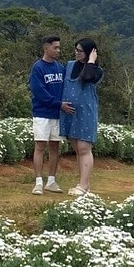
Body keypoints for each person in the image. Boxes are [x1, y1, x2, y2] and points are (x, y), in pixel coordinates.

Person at [58, 37, 103, 196]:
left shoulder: (96, 70)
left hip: (85, 113)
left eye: (81, 51)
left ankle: (83, 185)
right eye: (76, 50)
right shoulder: (69, 66)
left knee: (84, 148)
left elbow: (87, 77)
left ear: (90, 52)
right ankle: (83, 183)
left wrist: (91, 61)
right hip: (69, 112)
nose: (77, 53)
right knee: (77, 148)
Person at [27, 35, 67, 195]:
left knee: (55, 146)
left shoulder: (60, 67)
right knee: (40, 146)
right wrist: (58, 104)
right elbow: (38, 92)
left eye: (59, 47)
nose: (58, 50)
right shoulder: (38, 68)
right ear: (46, 48)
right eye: (55, 47)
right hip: (42, 114)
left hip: (57, 115)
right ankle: (38, 182)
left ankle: (51, 181)